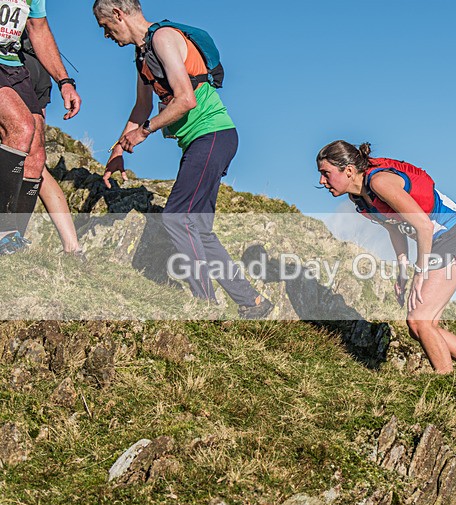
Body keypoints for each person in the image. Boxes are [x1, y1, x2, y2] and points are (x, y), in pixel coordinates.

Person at [93, 0, 272, 318]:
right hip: (201, 141)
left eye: (106, 27)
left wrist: (144, 132)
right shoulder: (142, 56)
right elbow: (141, 108)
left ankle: (204, 306)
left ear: (119, 15)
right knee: (199, 227)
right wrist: (118, 151)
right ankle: (251, 302)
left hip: (213, 135)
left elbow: (186, 99)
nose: (106, 35)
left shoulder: (163, 38)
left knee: (176, 217)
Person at [317, 140, 456, 374]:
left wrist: (419, 274)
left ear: (349, 171)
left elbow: (423, 226)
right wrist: (402, 269)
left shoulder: (380, 182)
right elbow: (393, 226)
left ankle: (445, 385)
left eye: (326, 173)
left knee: (419, 320)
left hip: (455, 235)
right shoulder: (360, 199)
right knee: (421, 327)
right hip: (439, 242)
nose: (322, 181)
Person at [0, 0, 81, 255]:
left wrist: (64, 81)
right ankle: (2, 230)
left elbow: (39, 27)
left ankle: (13, 240)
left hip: (13, 63)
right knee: (21, 128)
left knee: (36, 155)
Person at [17, 31, 82, 255]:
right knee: (35, 161)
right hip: (39, 66)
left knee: (21, 156)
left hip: (14, 65)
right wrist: (65, 82)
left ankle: (9, 236)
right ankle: (72, 246)